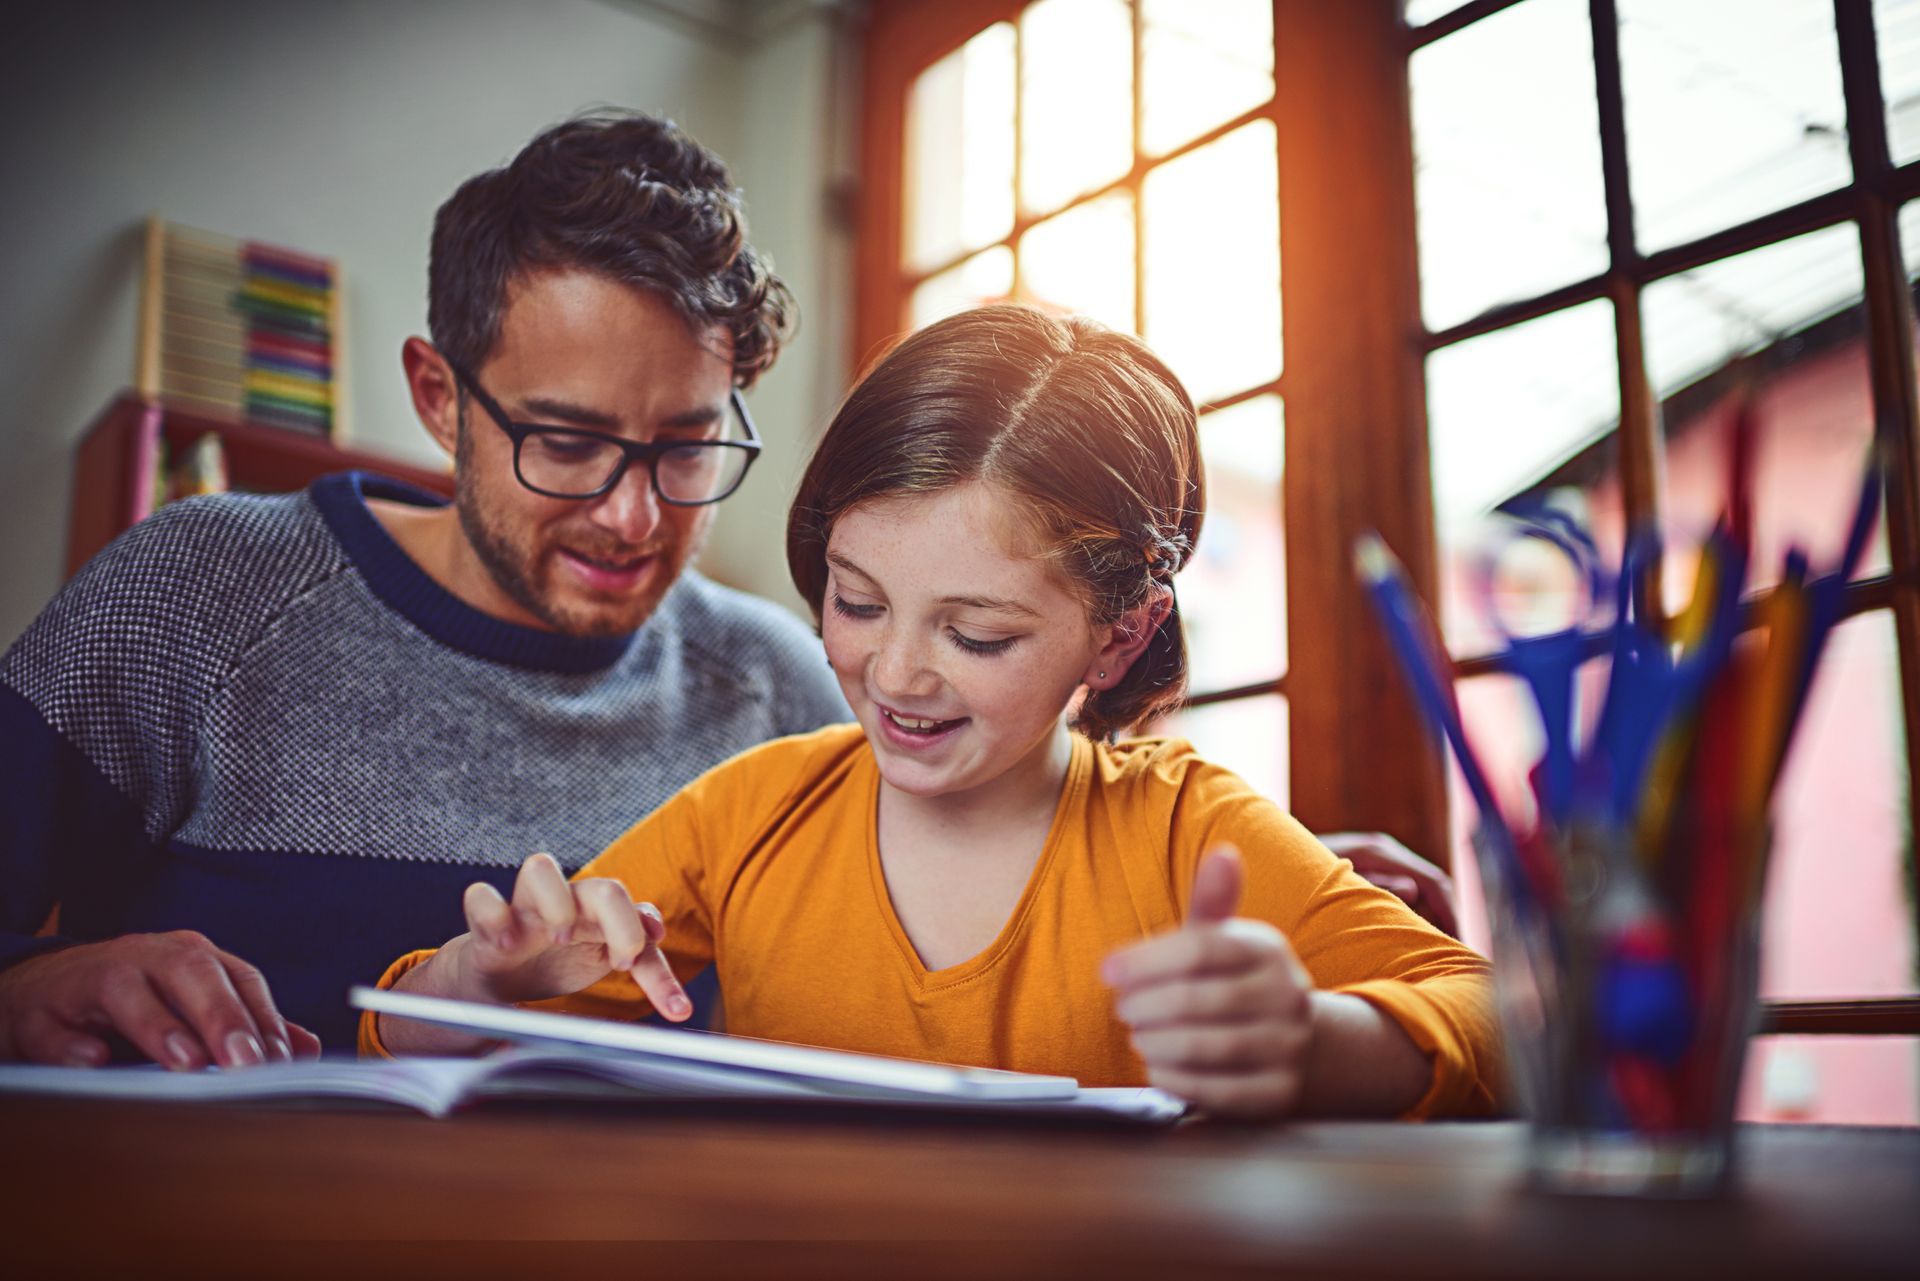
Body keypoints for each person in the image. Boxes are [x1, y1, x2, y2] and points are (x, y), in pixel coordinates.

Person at [366, 306, 1501, 1121]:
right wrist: (484, 982)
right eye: (857, 602)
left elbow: (1495, 1020)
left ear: (1119, 634)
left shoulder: (1183, 829)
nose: (897, 674)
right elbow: (400, 1036)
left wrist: (1314, 1045)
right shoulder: (754, 810)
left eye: (979, 635)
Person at [0, 112, 850, 1067]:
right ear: (441, 399)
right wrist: (23, 985)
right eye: (567, 443)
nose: (634, 518)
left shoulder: (780, 688)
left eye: (687, 449)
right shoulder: (197, 596)